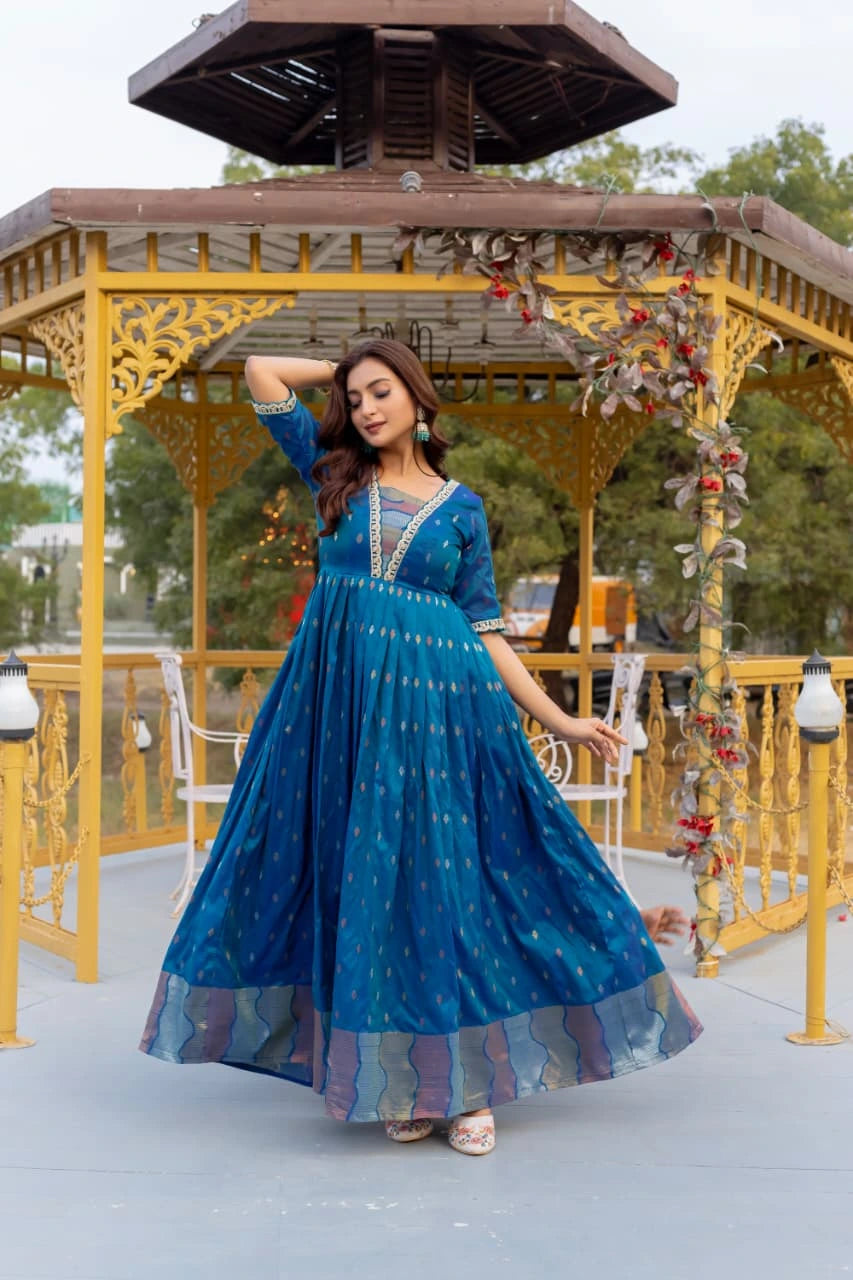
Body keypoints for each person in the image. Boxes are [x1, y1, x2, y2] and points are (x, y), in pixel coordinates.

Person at [141, 339, 701, 1156]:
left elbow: (486, 630)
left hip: (445, 717)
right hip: (339, 717)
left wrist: (561, 720)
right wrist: (341, 365)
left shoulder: (462, 509)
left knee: (445, 885)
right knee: (367, 891)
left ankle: (464, 1088)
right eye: (356, 397)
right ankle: (400, 1079)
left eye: (381, 392)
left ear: (417, 396)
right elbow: (260, 372)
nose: (366, 408)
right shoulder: (332, 470)